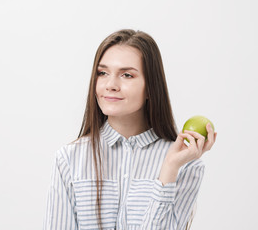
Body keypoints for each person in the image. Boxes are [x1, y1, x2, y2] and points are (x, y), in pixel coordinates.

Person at [43, 29, 217, 230]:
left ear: (151, 87)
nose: (111, 85)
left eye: (127, 75)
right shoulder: (69, 159)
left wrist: (169, 169)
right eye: (103, 73)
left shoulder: (185, 165)